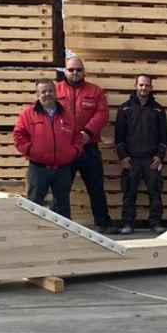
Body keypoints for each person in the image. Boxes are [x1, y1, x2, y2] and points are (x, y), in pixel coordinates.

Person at [13, 77, 83, 218]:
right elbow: (18, 136)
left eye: (50, 91)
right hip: (39, 168)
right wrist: (31, 151)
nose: (47, 94)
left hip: (62, 168)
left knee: (63, 206)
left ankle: (62, 232)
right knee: (34, 204)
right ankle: (32, 230)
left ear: (55, 92)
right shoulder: (28, 114)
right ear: (37, 95)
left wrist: (74, 151)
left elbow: (77, 136)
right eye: (43, 92)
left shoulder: (67, 114)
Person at [56, 54, 112, 231]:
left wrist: (87, 132)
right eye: (71, 70)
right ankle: (61, 224)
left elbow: (102, 113)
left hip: (89, 148)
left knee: (96, 187)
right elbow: (48, 114)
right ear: (65, 71)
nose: (75, 73)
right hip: (65, 149)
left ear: (84, 72)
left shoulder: (95, 91)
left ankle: (103, 223)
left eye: (78, 70)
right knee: (62, 189)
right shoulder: (55, 90)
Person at [114, 73, 167, 233]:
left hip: (151, 159)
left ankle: (155, 223)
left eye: (147, 85)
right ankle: (127, 224)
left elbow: (164, 137)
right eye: (141, 85)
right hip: (131, 160)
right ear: (136, 86)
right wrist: (123, 157)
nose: (144, 88)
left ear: (151, 87)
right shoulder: (124, 108)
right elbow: (119, 137)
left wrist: (160, 156)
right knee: (129, 194)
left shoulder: (158, 109)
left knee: (155, 193)